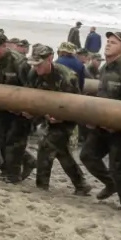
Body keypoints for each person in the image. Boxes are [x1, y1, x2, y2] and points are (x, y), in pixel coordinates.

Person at [25, 44, 91, 195]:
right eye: (33, 65)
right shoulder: (33, 74)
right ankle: (81, 184)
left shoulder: (67, 77)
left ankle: (42, 186)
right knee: (61, 151)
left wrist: (61, 118)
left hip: (67, 121)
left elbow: (75, 105)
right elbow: (33, 98)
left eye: (39, 64)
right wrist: (41, 114)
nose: (36, 68)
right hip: (48, 116)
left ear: (50, 59)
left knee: (46, 146)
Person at [79, 31, 121, 212]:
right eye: (108, 41)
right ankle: (110, 185)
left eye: (114, 42)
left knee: (118, 168)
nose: (108, 44)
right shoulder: (104, 69)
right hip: (102, 127)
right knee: (87, 155)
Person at [0, 30, 35, 183]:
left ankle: (14, 174)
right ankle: (24, 162)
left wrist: (29, 110)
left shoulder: (19, 62)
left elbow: (30, 87)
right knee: (0, 137)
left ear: (4, 46)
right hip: (2, 106)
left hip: (20, 108)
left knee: (14, 140)